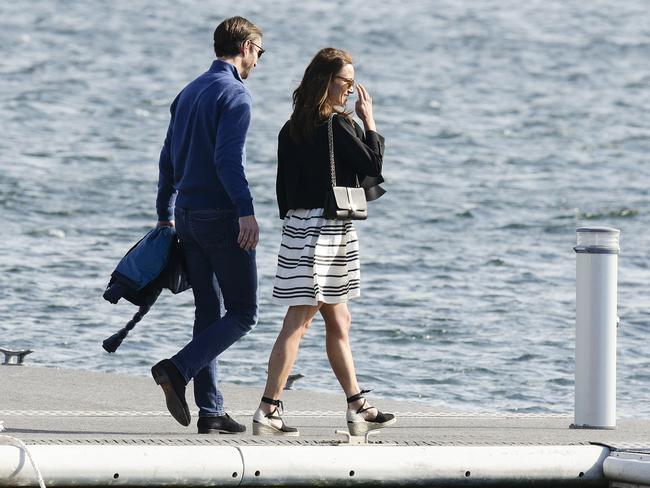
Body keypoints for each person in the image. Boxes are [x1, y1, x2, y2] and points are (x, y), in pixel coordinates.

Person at [253, 48, 396, 436]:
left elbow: (283, 187)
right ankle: (268, 407)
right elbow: (373, 166)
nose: (350, 90)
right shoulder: (335, 124)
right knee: (298, 322)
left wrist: (299, 223)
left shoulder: (291, 126)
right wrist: (370, 121)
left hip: (299, 228)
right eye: (345, 82)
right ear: (325, 81)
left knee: (339, 318)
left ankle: (356, 405)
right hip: (327, 230)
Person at [151, 16, 263, 434]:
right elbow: (227, 162)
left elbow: (168, 159)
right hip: (220, 216)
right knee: (244, 312)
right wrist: (246, 211)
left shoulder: (188, 91)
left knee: (208, 311)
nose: (258, 61)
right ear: (247, 46)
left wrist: (164, 212)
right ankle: (177, 369)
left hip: (186, 217)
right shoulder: (235, 95)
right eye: (259, 53)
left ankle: (211, 410)